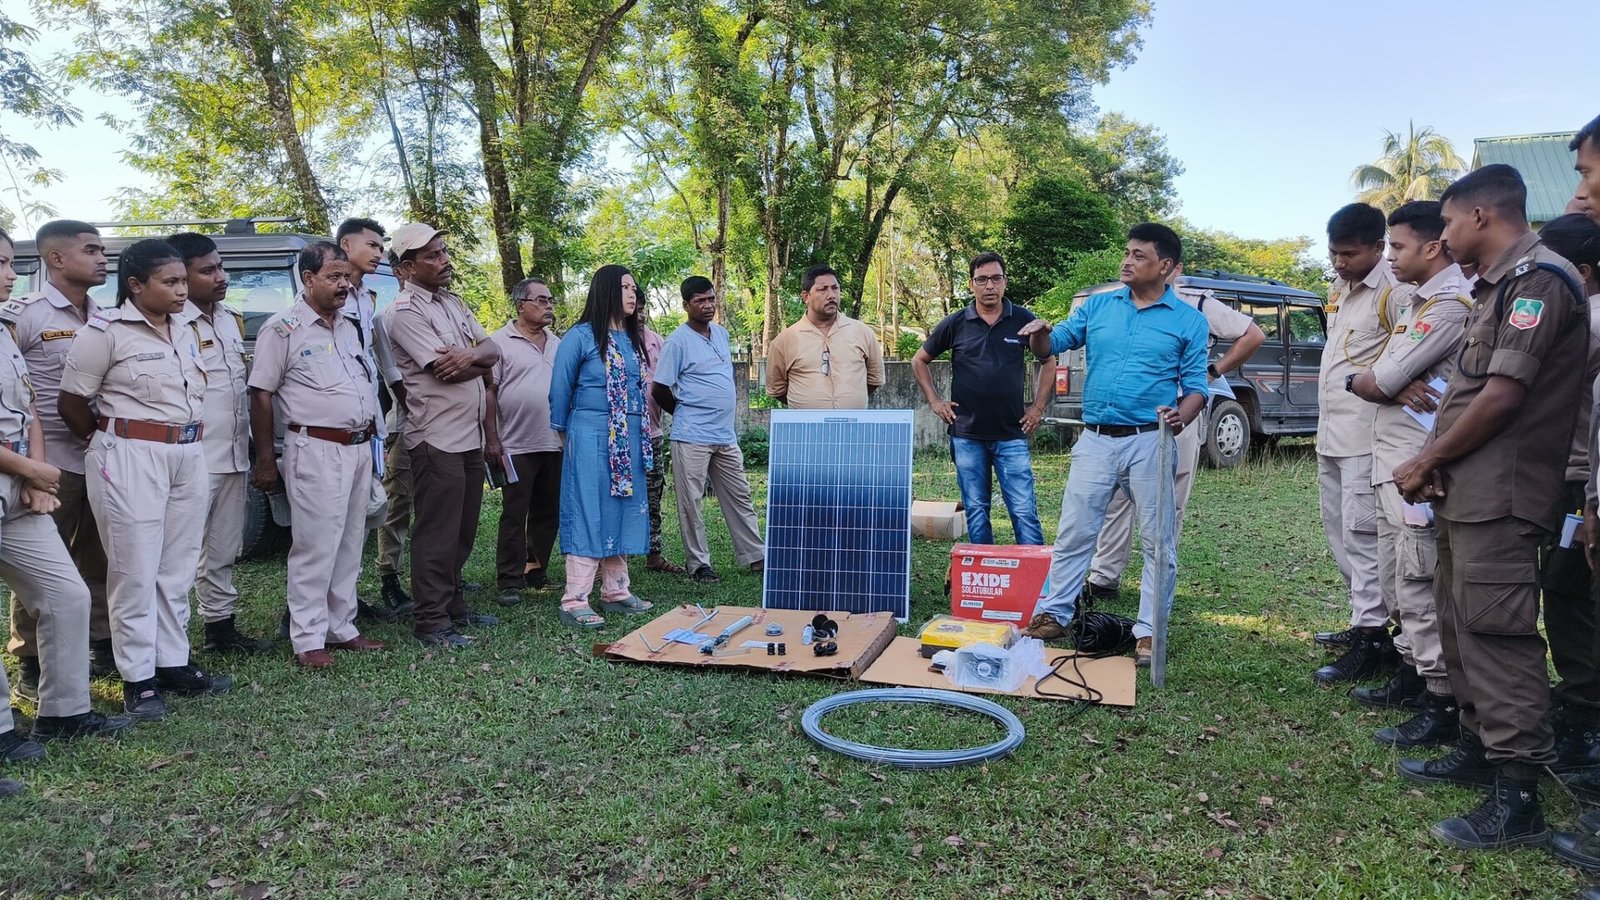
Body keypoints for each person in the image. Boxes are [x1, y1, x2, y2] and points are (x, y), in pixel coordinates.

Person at [1392, 164, 1587, 851]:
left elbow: (1503, 397)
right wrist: (1441, 462)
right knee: (1460, 622)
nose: (1441, 237)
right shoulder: (1498, 287)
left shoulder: (1540, 281)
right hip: (1468, 489)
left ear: (1481, 215)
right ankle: (1480, 748)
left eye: (1445, 223)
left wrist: (1427, 459)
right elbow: (1468, 396)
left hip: (1503, 496)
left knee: (1497, 635)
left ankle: (1520, 797)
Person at [1018, 223, 1209, 668]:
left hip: (1151, 442)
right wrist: (1041, 334)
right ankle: (1056, 613)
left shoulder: (1189, 322)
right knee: (1074, 532)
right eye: (1126, 252)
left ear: (1165, 267)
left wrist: (1185, 413)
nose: (1126, 261)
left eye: (1139, 255)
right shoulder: (1099, 307)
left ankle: (1148, 631)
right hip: (1096, 440)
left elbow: (1197, 386)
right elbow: (1055, 345)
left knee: (1158, 542)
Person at [58, 238, 232, 721]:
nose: (182, 291)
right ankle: (139, 677)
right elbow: (72, 402)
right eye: (171, 282)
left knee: (175, 568)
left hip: (188, 451)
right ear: (136, 286)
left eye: (183, 280)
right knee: (134, 570)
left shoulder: (186, 329)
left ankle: (173, 661)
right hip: (130, 453)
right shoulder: (106, 332)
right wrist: (108, 442)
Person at [1343, 201, 1470, 747]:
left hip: (1418, 466)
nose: (1389, 256)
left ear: (1432, 246)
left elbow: (1378, 380)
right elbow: (1379, 375)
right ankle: (1415, 675)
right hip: (1391, 462)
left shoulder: (1447, 307)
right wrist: (1374, 378)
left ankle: (1441, 700)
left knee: (1419, 582)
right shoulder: (1416, 304)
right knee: (1398, 578)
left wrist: (1370, 380)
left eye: (1396, 246)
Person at [0, 226, 130, 760]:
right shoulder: (24, 315)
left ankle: (65, 713)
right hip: (34, 469)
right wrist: (33, 467)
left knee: (70, 591)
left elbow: (28, 401)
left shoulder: (3, 332)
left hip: (35, 478)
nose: (10, 274)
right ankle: (10, 720)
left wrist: (33, 474)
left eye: (10, 262)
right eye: (2, 264)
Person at [1083, 265, 1266, 595]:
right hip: (1129, 419)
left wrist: (1212, 372)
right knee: (1116, 499)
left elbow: (1253, 335)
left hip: (1179, 413)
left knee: (1169, 501)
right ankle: (1104, 577)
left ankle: (1158, 580)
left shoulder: (1196, 304)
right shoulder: (1121, 301)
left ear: (1173, 267)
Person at [248, 242, 386, 669]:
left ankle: (341, 626)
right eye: (334, 277)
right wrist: (267, 459)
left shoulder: (348, 325)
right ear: (308, 279)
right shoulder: (283, 329)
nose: (345, 285)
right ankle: (307, 637)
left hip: (359, 447)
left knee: (350, 542)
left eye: (346, 277)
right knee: (315, 546)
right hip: (316, 449)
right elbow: (262, 393)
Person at [382, 223, 501, 648]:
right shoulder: (404, 313)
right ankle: (431, 621)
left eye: (443, 250)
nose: (444, 259)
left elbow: (493, 352)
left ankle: (453, 607)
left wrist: (472, 356)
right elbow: (442, 370)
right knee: (436, 532)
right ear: (408, 267)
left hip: (467, 435)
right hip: (435, 438)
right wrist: (478, 359)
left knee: (464, 528)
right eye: (432, 256)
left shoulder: (453, 302)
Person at [1311, 203, 1404, 685]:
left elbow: (1407, 362)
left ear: (1377, 247)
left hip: (1369, 437)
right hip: (1333, 433)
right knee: (1339, 532)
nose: (1340, 262)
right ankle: (1366, 622)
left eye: (1349, 253)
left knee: (1364, 535)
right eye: (1334, 252)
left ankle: (1375, 638)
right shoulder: (1339, 290)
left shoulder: (1395, 291)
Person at [165, 233, 270, 654]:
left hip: (230, 452)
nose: (221, 277)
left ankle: (220, 629)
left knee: (225, 546)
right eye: (208, 270)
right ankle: (168, 649)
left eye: (221, 267)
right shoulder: (170, 321)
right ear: (181, 276)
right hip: (190, 457)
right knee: (178, 556)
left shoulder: (228, 318)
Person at [912, 252, 1052, 546]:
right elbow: (919, 360)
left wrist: (1038, 407)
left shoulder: (1024, 320)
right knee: (976, 510)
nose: (990, 285)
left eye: (996, 278)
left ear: (1005, 282)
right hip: (967, 435)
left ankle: (1037, 586)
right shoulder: (956, 322)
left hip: (1011, 434)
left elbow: (1047, 361)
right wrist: (935, 402)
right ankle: (984, 576)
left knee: (1024, 510)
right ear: (971, 284)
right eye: (982, 279)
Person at [548, 264, 655, 629]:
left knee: (623, 510)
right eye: (625, 287)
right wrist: (568, 436)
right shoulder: (579, 337)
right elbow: (559, 393)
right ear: (606, 291)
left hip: (628, 441)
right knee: (588, 510)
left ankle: (616, 590)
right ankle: (574, 598)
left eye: (634, 288)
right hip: (591, 436)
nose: (632, 294)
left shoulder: (632, 338)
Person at [1533, 214, 1600, 768]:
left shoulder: (1587, 324)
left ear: (1580, 273)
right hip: (1570, 476)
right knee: (1564, 591)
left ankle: (1584, 711)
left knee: (1570, 591)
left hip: (1580, 480)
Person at [651, 276, 764, 583]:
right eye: (700, 300)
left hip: (724, 434)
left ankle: (756, 556)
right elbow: (659, 389)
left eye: (711, 299)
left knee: (739, 495)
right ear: (686, 305)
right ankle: (699, 564)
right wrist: (685, 413)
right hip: (691, 436)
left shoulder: (721, 334)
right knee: (692, 502)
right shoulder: (677, 341)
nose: (708, 305)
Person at [335, 217, 407, 622]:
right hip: (330, 427)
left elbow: (379, 362)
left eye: (382, 247)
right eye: (372, 245)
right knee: (327, 528)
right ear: (346, 245)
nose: (379, 253)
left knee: (363, 514)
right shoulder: (329, 294)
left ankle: (346, 599)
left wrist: (401, 404)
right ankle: (306, 611)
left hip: (366, 423)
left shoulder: (366, 298)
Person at [488, 277, 563, 605]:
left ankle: (536, 568)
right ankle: (509, 578)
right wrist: (492, 440)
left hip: (553, 441)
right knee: (515, 511)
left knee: (549, 510)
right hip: (515, 443)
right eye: (542, 301)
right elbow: (489, 393)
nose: (548, 307)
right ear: (521, 305)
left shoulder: (558, 343)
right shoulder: (498, 342)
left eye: (550, 301)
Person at [766, 265, 884, 410]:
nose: (831, 295)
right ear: (806, 296)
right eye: (823, 289)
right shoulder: (784, 341)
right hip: (806, 429)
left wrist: (848, 398)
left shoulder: (862, 332)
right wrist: (809, 402)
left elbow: (874, 380)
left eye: (835, 288)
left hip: (852, 428)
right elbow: (777, 389)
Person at [372, 273, 415, 616]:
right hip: (405, 425)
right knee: (396, 505)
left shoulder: (446, 309)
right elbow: (393, 376)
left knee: (437, 505)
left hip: (442, 428)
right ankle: (390, 579)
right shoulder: (389, 316)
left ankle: (444, 576)